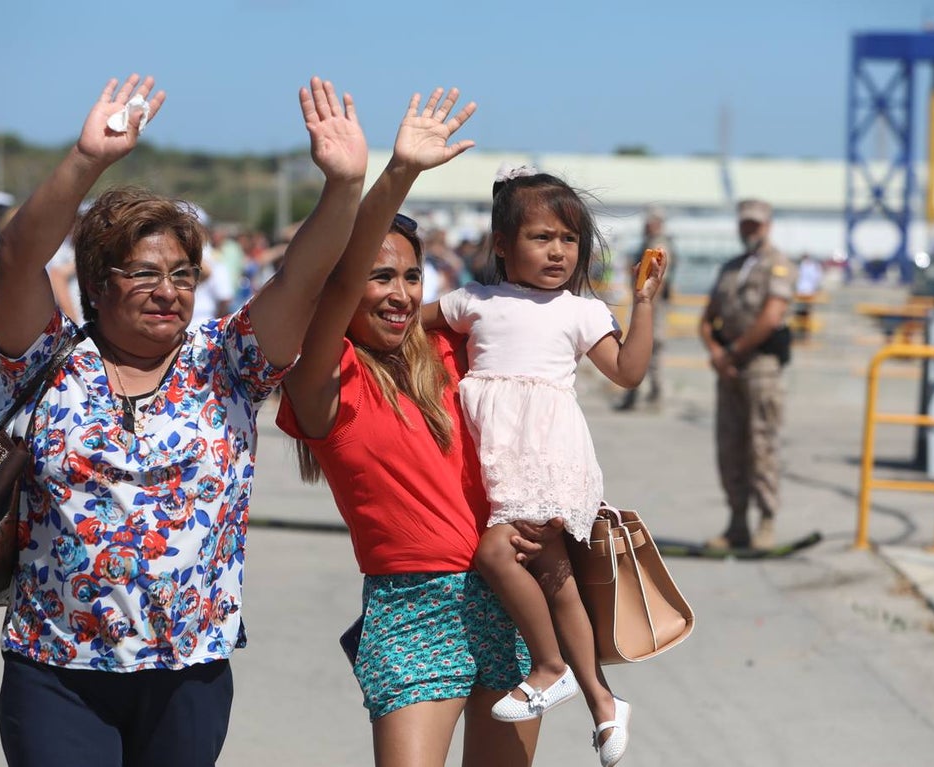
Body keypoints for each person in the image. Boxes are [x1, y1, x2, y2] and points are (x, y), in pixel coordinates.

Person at [0, 73, 367, 767]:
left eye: (184, 273)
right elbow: (16, 257)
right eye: (143, 273)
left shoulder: (228, 360)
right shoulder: (50, 359)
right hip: (57, 669)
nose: (168, 290)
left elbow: (302, 280)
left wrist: (342, 187)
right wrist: (89, 161)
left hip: (188, 673)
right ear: (98, 284)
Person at [278, 87, 553, 767]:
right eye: (379, 276)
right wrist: (395, 172)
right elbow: (331, 290)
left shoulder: (454, 352)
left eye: (410, 275)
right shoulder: (323, 379)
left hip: (509, 588)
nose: (399, 293)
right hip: (410, 609)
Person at [420, 167, 667, 767]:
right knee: (556, 582)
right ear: (502, 245)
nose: (558, 251)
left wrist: (641, 303)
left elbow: (628, 372)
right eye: (541, 237)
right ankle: (604, 704)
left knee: (497, 553)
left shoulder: (580, 311)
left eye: (569, 239)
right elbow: (397, 323)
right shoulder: (473, 302)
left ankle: (550, 664)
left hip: (547, 459)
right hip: (504, 460)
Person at [698, 198, 796, 551]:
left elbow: (771, 317)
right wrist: (716, 353)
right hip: (729, 369)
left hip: (760, 368)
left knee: (761, 445)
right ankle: (737, 522)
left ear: (768, 226)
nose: (750, 230)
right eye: (745, 224)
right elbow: (707, 318)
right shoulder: (730, 267)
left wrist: (732, 353)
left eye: (756, 224)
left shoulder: (778, 265)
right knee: (730, 447)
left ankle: (766, 521)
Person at [614, 205, 676, 411]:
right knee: (647, 349)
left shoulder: (658, 245)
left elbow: (658, 281)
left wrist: (646, 308)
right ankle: (644, 395)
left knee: (649, 348)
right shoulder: (650, 243)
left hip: (652, 306)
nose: (646, 226)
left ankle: (649, 395)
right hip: (648, 304)